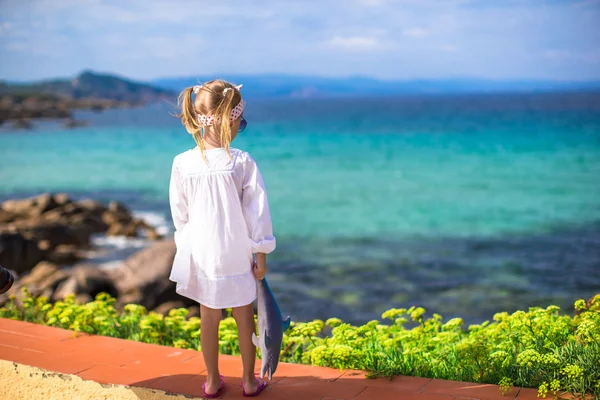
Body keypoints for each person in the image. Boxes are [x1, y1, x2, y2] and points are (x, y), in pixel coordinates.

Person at [169, 79, 275, 398]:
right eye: (240, 122)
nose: (240, 128)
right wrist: (261, 252)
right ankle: (248, 381)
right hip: (236, 252)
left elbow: (180, 215)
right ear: (230, 118)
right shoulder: (241, 161)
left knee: (208, 319)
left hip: (202, 253)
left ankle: (213, 381)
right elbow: (257, 211)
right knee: (245, 318)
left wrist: (186, 250)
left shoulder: (182, 163)